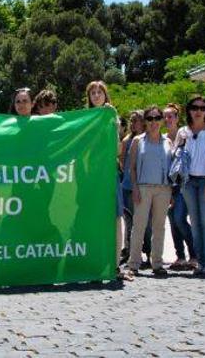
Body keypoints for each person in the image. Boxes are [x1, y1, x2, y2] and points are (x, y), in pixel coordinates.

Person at [121, 106, 173, 280]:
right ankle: (134, 263)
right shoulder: (138, 141)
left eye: (157, 118)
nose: (153, 122)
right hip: (143, 187)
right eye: (149, 119)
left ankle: (157, 263)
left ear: (162, 121)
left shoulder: (167, 142)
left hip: (163, 188)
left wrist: (171, 190)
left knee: (159, 226)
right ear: (145, 122)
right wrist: (135, 187)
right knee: (139, 226)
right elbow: (132, 167)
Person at [177, 96, 205, 276]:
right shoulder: (184, 131)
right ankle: (200, 261)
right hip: (188, 181)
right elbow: (177, 155)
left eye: (202, 108)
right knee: (194, 223)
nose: (198, 111)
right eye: (194, 107)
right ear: (189, 110)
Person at [85, 80, 124, 270]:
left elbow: (117, 149)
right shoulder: (84, 119)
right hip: (92, 176)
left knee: (115, 217)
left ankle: (115, 264)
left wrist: (114, 122)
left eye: (100, 92)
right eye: (93, 93)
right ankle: (96, 261)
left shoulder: (112, 116)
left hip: (110, 174)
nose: (97, 95)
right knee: (94, 217)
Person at [164, 103, 195, 270]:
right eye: (165, 117)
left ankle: (194, 253)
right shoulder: (163, 139)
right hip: (170, 186)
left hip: (184, 184)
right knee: (173, 221)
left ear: (177, 118)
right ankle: (180, 256)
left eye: (170, 116)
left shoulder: (184, 135)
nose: (167, 119)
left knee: (179, 219)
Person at [120, 110, 151, 268]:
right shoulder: (127, 140)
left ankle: (149, 252)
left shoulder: (148, 139)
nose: (133, 124)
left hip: (144, 183)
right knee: (130, 220)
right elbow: (122, 161)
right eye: (131, 120)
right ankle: (131, 251)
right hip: (128, 185)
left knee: (146, 221)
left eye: (136, 120)